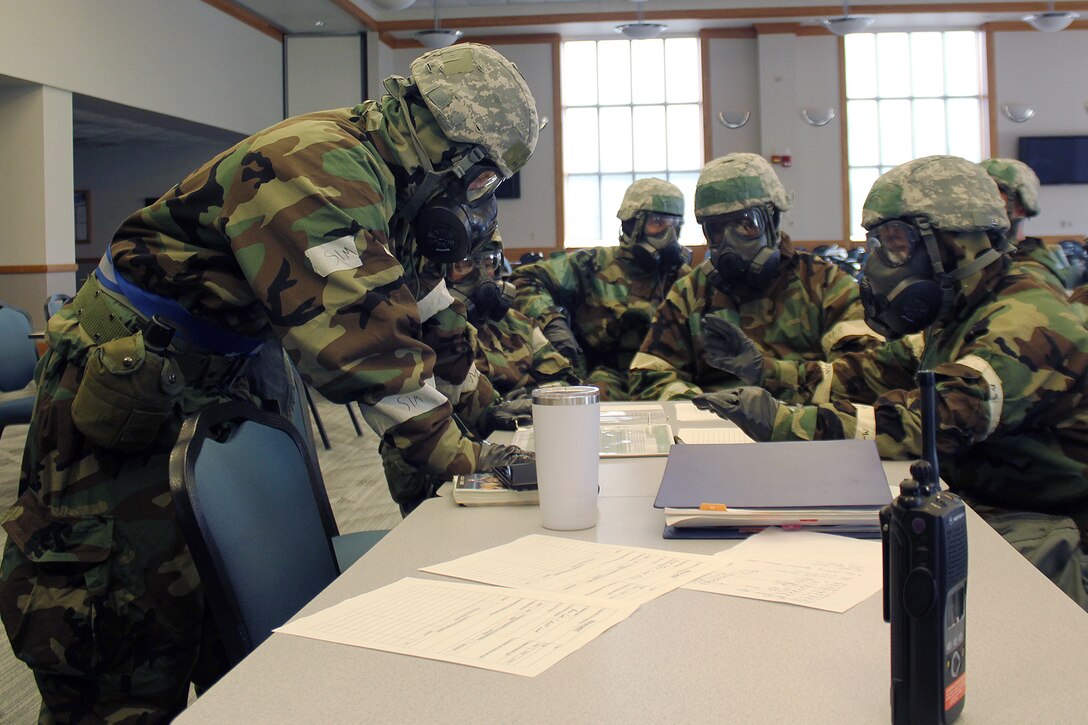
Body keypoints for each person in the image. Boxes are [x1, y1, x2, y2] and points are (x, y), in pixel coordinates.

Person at [0, 43, 539, 721]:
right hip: (128, 381)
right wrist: (476, 468)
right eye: (483, 180)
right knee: (121, 628)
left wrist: (498, 418)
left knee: (225, 616)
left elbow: (429, 313)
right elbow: (366, 352)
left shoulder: (395, 186)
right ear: (446, 144)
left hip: (219, 371)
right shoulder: (321, 162)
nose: (476, 199)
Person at [694, 155, 1088, 608]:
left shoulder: (1026, 322)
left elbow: (932, 422)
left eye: (895, 243)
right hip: (986, 505)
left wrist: (788, 424)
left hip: (1052, 532)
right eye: (878, 244)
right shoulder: (964, 312)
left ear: (955, 242)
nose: (879, 263)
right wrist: (766, 372)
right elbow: (868, 372)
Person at [628, 152, 881, 402]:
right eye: (716, 229)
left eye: (746, 223)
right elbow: (648, 376)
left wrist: (769, 375)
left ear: (773, 220)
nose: (729, 241)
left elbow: (867, 373)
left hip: (802, 429)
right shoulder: (691, 292)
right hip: (715, 431)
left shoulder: (824, 283)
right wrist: (703, 406)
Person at [510, 177, 692, 400]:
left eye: (676, 225)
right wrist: (553, 324)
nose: (669, 236)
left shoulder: (683, 277)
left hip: (663, 378)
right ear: (632, 224)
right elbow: (525, 279)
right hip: (605, 378)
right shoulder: (592, 264)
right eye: (658, 223)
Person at [450, 231, 580, 397]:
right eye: (464, 264)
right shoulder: (433, 331)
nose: (481, 275)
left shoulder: (520, 325)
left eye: (488, 261)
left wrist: (529, 400)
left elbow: (566, 383)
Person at [979, 158, 1073, 293]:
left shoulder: (1032, 272)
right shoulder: (975, 256)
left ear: (1022, 207)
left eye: (994, 192)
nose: (981, 201)